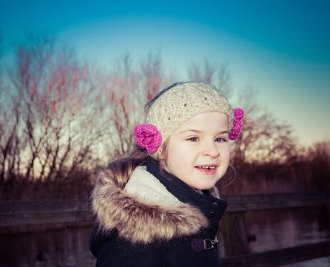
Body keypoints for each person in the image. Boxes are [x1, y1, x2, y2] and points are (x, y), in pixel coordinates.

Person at [89, 81, 244, 267]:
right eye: (193, 138)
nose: (213, 151)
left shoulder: (200, 201)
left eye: (220, 138)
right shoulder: (136, 241)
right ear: (160, 149)